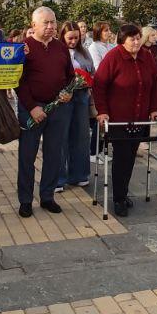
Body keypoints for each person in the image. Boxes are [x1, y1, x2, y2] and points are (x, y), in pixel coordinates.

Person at [92, 25, 157, 217]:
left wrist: (155, 108)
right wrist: (102, 111)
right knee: (122, 157)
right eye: (132, 39)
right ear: (123, 40)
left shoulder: (146, 57)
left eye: (138, 38)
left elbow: (155, 83)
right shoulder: (113, 57)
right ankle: (119, 198)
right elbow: (99, 85)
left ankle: (122, 192)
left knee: (130, 156)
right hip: (118, 118)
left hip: (139, 118)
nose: (137, 42)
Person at [16, 7, 73, 218]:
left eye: (53, 22)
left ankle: (47, 196)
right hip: (32, 109)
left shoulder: (61, 47)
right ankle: (25, 200)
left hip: (58, 109)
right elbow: (18, 81)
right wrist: (32, 107)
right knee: (27, 156)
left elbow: (70, 76)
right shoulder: (24, 48)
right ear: (34, 26)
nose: (50, 27)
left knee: (54, 154)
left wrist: (68, 92)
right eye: (45, 23)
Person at [60, 22, 94, 190]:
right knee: (61, 136)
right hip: (63, 96)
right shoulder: (58, 50)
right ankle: (58, 177)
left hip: (81, 95)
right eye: (70, 38)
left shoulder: (84, 51)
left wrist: (86, 79)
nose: (73, 41)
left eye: (76, 38)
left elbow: (92, 71)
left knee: (81, 135)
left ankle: (79, 174)